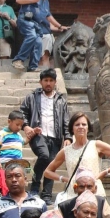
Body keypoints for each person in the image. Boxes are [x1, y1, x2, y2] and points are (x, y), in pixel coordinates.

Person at [44, 111, 110, 201]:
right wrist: (64, 179)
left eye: (84, 124)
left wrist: (105, 172)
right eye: (77, 125)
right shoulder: (66, 151)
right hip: (74, 193)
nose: (81, 127)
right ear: (72, 128)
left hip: (95, 192)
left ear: (88, 128)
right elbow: (47, 172)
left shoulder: (96, 145)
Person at [19, 69, 70, 202]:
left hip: (56, 136)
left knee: (52, 164)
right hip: (38, 134)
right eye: (45, 80)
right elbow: (22, 113)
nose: (48, 83)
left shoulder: (61, 100)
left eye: (51, 80)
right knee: (44, 156)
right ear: (40, 82)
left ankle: (47, 195)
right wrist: (26, 126)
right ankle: (35, 186)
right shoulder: (32, 97)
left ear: (55, 82)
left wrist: (68, 137)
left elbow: (66, 120)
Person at [13, 0, 64, 72]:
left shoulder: (46, 2)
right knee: (32, 36)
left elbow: (48, 16)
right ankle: (18, 60)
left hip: (36, 24)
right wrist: (32, 0)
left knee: (38, 42)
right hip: (25, 20)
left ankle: (32, 66)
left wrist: (59, 26)